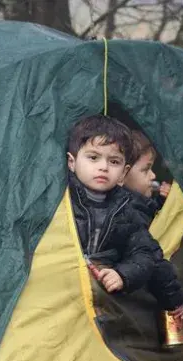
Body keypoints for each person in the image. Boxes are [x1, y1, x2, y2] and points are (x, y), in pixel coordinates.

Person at [65, 114, 162, 295]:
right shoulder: (61, 200)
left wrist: (122, 274)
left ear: (124, 173)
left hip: (100, 298)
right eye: (93, 158)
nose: (103, 167)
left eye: (114, 161)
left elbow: (144, 254)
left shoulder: (127, 210)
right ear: (72, 162)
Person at [120, 130, 183, 320]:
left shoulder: (129, 204)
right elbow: (151, 257)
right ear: (122, 174)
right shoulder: (128, 212)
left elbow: (147, 218)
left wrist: (162, 204)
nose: (153, 175)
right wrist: (174, 299)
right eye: (145, 169)